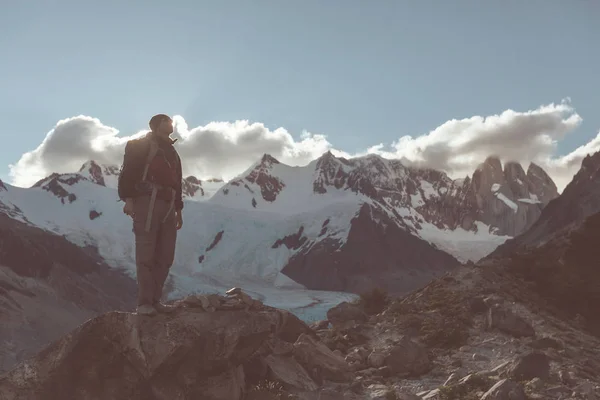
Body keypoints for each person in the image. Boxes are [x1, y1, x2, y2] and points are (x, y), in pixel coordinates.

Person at [117, 114, 184, 316]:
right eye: (166, 120)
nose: (170, 122)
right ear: (156, 125)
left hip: (168, 204)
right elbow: (128, 172)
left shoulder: (172, 152)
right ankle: (145, 303)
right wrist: (129, 199)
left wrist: (178, 209)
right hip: (148, 200)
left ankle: (155, 300)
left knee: (165, 255)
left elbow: (177, 183)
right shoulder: (140, 146)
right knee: (146, 253)